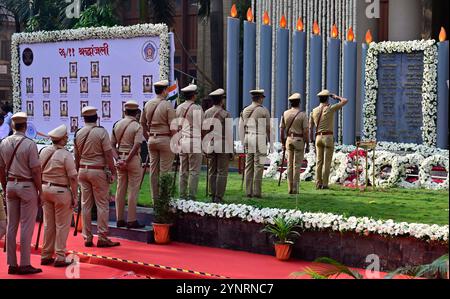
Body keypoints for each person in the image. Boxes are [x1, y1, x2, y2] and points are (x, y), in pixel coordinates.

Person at [0, 112, 43, 275]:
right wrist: (40, 190)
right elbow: (35, 171)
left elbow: (1, 169)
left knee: (12, 225)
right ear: (25, 126)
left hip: (11, 184)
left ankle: (12, 263)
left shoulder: (3, 143)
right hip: (26, 186)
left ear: (12, 126)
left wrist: (5, 186)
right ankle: (24, 263)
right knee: (26, 226)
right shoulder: (29, 144)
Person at [74, 106, 119, 248]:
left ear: (84, 118)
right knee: (102, 205)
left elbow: (76, 156)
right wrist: (113, 171)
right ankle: (102, 236)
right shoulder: (101, 132)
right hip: (97, 170)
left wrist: (77, 170)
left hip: (83, 170)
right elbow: (108, 154)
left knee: (85, 205)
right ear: (96, 117)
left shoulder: (79, 133)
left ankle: (87, 238)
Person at [39, 124, 78, 267]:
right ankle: (60, 256)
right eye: (65, 137)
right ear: (61, 139)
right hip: (61, 191)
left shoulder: (44, 151)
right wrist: (75, 196)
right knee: (62, 225)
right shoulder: (66, 154)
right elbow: (73, 177)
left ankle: (46, 254)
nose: (67, 138)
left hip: (45, 189)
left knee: (49, 224)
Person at [140, 80, 176, 204]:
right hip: (165, 139)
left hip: (152, 139)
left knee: (153, 171)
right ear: (165, 90)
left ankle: (155, 200)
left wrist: (147, 136)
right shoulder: (167, 105)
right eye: (167, 89)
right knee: (165, 171)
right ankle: (164, 201)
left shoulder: (148, 104)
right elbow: (173, 127)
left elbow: (142, 123)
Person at [111, 101, 145, 229]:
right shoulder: (137, 126)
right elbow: (137, 145)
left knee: (120, 189)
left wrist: (119, 159)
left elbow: (112, 145)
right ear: (136, 113)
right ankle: (131, 219)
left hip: (120, 158)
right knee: (133, 189)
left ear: (124, 111)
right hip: (132, 159)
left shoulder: (117, 124)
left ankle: (119, 219)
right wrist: (127, 160)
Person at [309, 90, 348, 190]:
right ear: (327, 98)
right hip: (328, 137)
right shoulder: (330, 108)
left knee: (319, 162)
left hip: (317, 137)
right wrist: (335, 97)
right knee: (326, 162)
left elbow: (310, 127)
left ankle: (318, 183)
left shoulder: (314, 111)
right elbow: (345, 101)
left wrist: (311, 140)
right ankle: (325, 184)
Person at [240, 90, 271, 198]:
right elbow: (268, 128)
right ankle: (257, 191)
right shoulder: (263, 110)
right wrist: (270, 141)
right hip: (260, 137)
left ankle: (248, 191)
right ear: (260, 98)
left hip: (248, 137)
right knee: (259, 165)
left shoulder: (245, 110)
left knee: (249, 165)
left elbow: (242, 126)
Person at [203, 89, 232, 203]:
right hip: (223, 143)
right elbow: (229, 133)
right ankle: (218, 196)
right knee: (222, 171)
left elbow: (204, 130)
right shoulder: (226, 114)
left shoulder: (207, 113)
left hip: (210, 142)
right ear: (222, 100)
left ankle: (212, 193)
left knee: (212, 170)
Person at [176, 84, 205, 200]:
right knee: (194, 170)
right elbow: (202, 126)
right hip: (194, 140)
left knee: (183, 170)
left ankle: (182, 195)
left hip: (183, 139)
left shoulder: (179, 108)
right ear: (194, 95)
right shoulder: (197, 108)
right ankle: (191, 196)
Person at [280, 93, 310, 194]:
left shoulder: (285, 113)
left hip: (289, 139)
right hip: (299, 139)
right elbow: (306, 131)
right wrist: (307, 143)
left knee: (289, 164)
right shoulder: (302, 114)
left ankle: (289, 188)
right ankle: (295, 188)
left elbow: (282, 129)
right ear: (299, 102)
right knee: (297, 165)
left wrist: (282, 141)